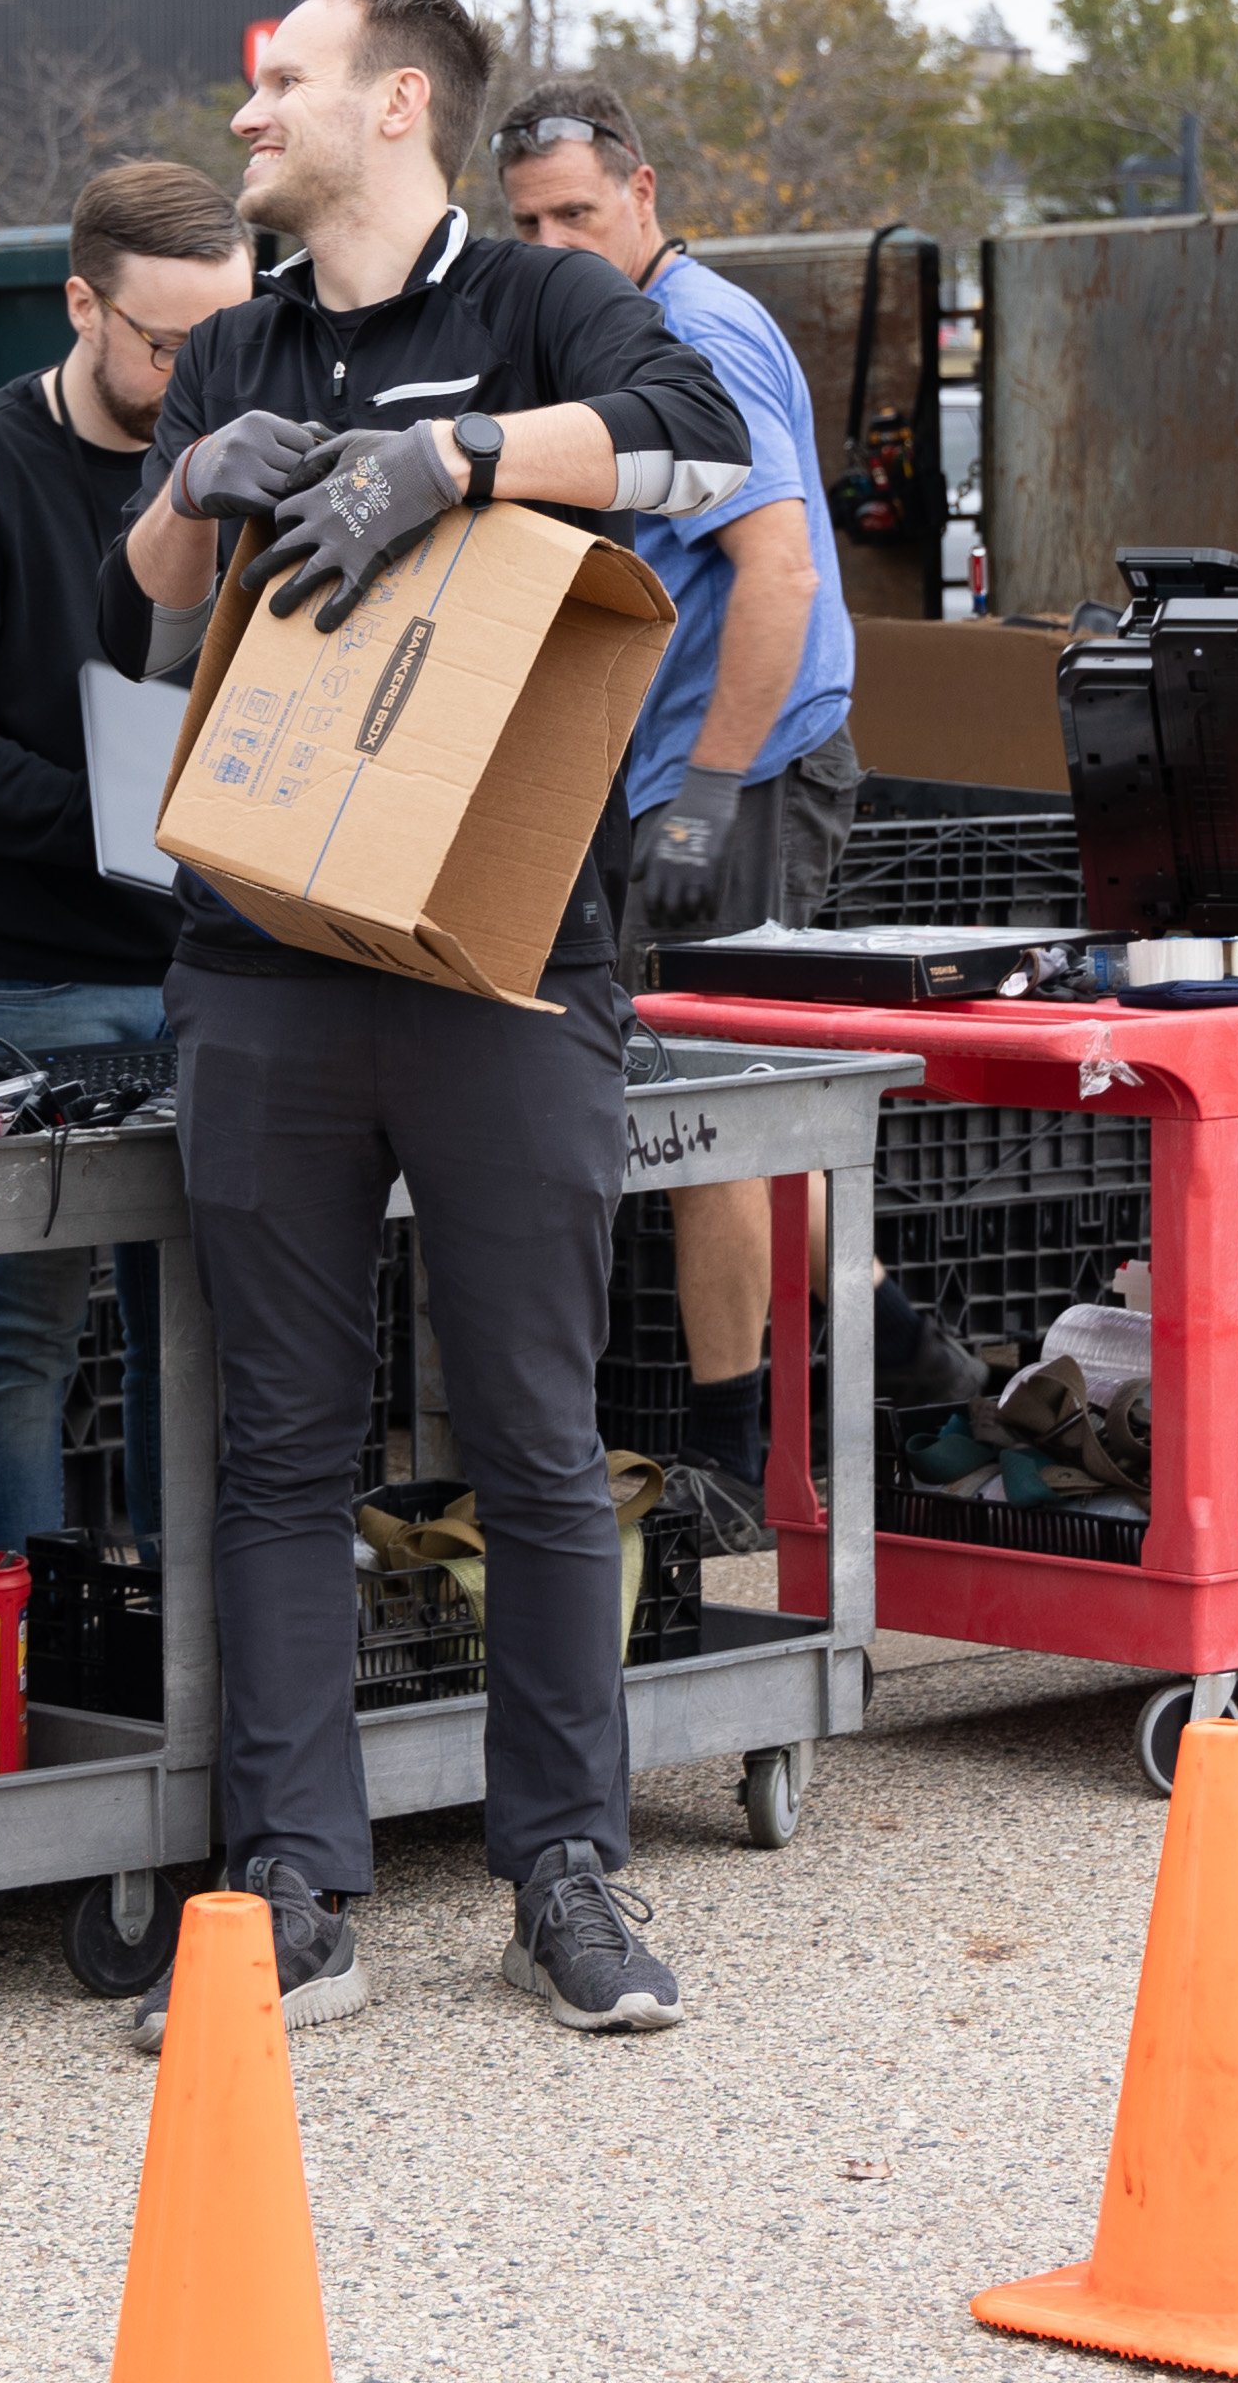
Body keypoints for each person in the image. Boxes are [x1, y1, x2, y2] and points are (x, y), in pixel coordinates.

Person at [97, 0, 749, 2042]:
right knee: (282, 1446)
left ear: (395, 107)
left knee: (539, 1443)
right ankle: (295, 1883)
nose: (247, 116)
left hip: (506, 966)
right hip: (260, 967)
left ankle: (566, 1869)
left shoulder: (542, 309)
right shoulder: (241, 341)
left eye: (278, 83)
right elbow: (153, 598)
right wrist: (200, 486)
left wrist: (450, 464)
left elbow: (697, 447)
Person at [491, 76, 859, 1546]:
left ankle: (729, 1457)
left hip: (746, 766)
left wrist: (710, 792)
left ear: (644, 194)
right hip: (664, 767)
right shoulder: (596, 333)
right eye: (526, 224)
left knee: (716, 1106)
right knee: (716, 1106)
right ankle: (913, 1360)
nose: (556, 243)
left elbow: (778, 572)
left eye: (579, 212)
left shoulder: (691, 334)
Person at [0, 159, 246, 1548]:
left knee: (192, 1333)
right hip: (22, 983)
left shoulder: (234, 471)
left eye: (230, 341)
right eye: (169, 346)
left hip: (203, 967)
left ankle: (173, 1654)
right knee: (20, 1326)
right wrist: (127, 838)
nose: (200, 375)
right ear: (82, 304)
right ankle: (8, 1648)